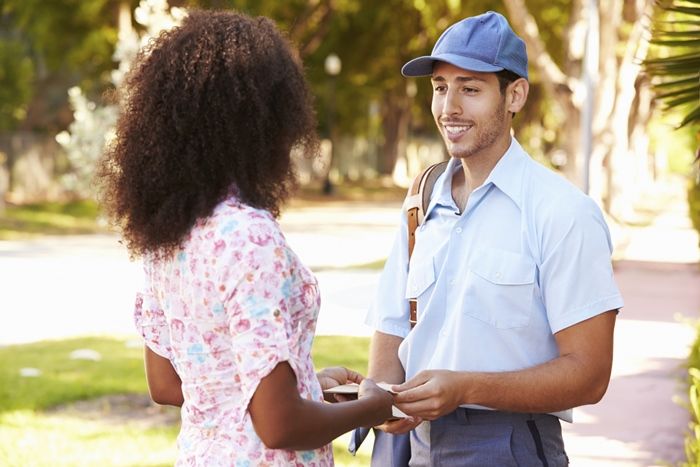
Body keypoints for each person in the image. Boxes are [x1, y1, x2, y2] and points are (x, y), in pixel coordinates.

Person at [97, 9, 393, 466]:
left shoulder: (169, 235)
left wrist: (308, 385)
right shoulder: (249, 238)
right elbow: (279, 426)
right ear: (262, 118)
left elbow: (172, 385)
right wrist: (373, 406)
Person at [363, 10, 624, 466]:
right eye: (440, 88)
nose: (449, 108)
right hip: (416, 448)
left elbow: (590, 374)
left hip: (510, 446)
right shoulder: (421, 203)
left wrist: (465, 388)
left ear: (515, 95)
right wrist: (379, 398)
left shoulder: (563, 214)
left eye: (470, 88)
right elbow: (392, 327)